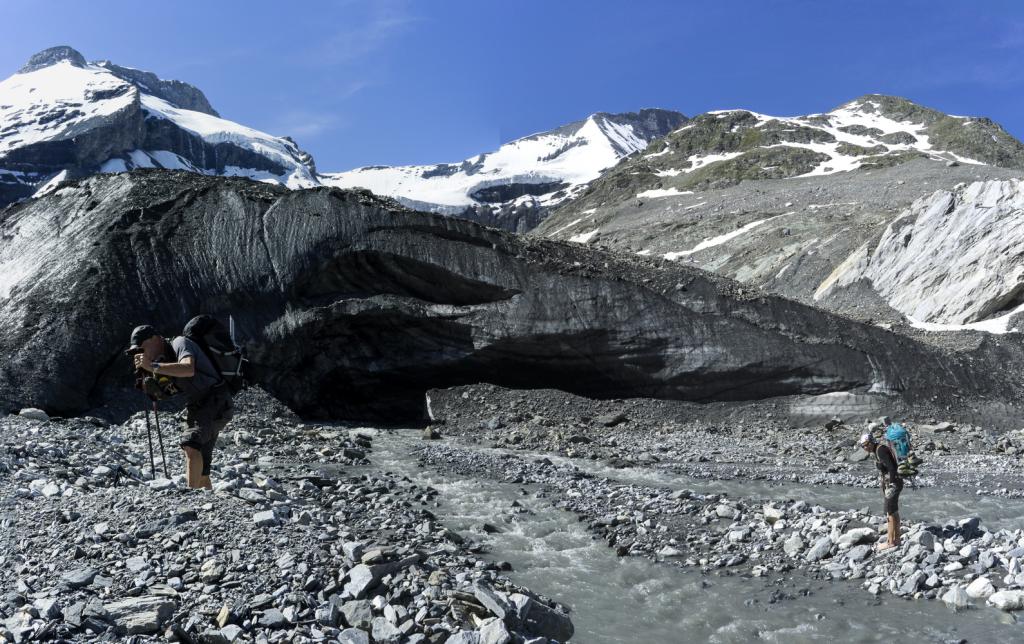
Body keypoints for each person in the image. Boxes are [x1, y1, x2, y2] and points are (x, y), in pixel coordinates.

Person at [128, 324, 233, 489]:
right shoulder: (162, 361)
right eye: (136, 352)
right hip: (198, 405)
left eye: (141, 348)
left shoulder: (179, 343)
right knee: (202, 466)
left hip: (216, 399)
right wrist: (148, 380)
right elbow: (168, 392)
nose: (141, 353)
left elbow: (188, 368)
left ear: (155, 339)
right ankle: (207, 504)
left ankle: (191, 499)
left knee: (191, 443)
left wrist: (152, 367)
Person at [859, 432, 902, 550]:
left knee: (890, 512)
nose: (865, 447)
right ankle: (897, 539)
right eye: (863, 446)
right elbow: (889, 466)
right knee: (894, 511)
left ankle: (890, 542)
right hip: (896, 482)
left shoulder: (880, 450)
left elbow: (892, 468)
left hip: (893, 484)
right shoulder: (879, 449)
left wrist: (892, 485)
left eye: (866, 444)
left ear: (871, 441)